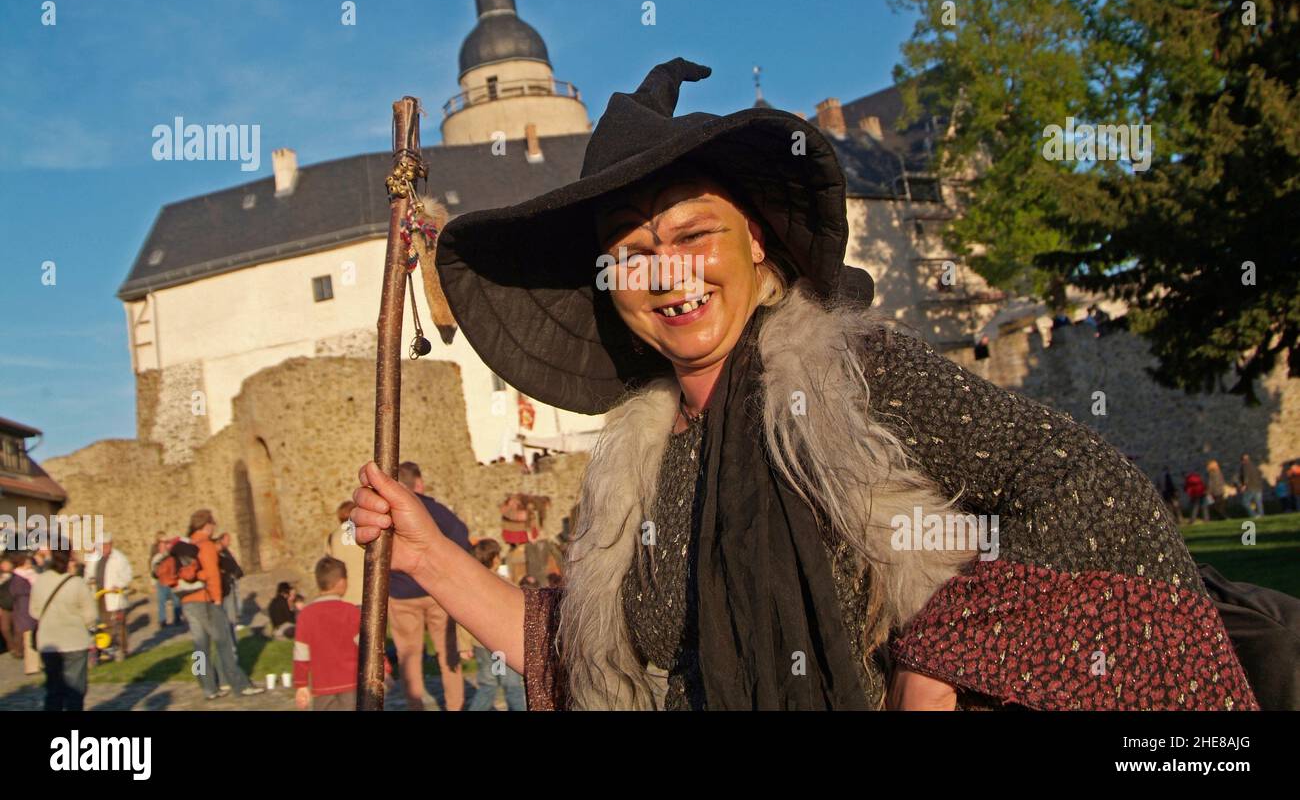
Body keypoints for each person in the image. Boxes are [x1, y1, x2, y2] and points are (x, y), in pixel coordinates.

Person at [352, 57, 1257, 710]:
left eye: (691, 235)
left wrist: (947, 648)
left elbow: (1083, 482)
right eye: (629, 253)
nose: (665, 274)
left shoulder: (850, 379)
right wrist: (429, 552)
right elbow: (589, 669)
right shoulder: (637, 469)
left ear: (755, 241)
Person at [387, 460, 471, 711]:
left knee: (408, 655)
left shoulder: (389, 513)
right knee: (447, 652)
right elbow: (461, 536)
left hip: (401, 592)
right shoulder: (435, 510)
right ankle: (455, 706)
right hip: (436, 590)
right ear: (419, 483)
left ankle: (415, 705)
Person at [176, 509, 263, 700]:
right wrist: (217, 599)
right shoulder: (206, 545)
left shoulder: (186, 544)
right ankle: (239, 684)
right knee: (224, 643)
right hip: (205, 600)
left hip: (187, 600)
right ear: (207, 525)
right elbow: (213, 575)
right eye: (213, 523)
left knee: (199, 647)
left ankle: (207, 687)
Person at [292, 557, 386, 710]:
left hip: (322, 687)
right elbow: (367, 645)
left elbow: (301, 653)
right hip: (352, 683)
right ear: (342, 582)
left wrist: (301, 684)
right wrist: (383, 668)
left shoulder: (306, 615)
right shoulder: (351, 612)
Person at [30, 548, 97, 711]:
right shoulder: (77, 583)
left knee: (54, 690)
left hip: (49, 642)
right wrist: (86, 625)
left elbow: (34, 611)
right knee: (75, 691)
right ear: (69, 560)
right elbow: (91, 615)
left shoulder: (41, 581)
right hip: (74, 641)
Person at [466, 539, 525, 711]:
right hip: (501, 646)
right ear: (496, 559)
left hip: (483, 645)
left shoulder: (470, 585)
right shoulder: (503, 583)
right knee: (511, 686)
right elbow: (518, 606)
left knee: (489, 685)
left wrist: (463, 645)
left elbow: (462, 616)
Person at [88, 536, 132, 662]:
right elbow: (88, 573)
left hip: (114, 596)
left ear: (111, 544)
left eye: (106, 545)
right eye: (102, 545)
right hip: (99, 595)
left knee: (118, 624)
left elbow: (127, 575)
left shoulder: (119, 558)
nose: (104, 548)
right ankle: (106, 649)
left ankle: (122, 649)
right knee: (102, 624)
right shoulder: (95, 558)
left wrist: (118, 585)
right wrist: (90, 580)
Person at [325, 502, 365, 606]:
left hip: (345, 594)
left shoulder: (332, 537)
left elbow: (330, 564)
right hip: (367, 589)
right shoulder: (364, 533)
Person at [8, 550, 41, 675]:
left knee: (35, 638)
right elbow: (19, 593)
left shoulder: (29, 575)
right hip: (25, 613)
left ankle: (37, 663)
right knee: (29, 641)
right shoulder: (18, 578)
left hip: (31, 611)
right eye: (26, 561)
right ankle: (32, 667)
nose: (29, 563)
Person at [150, 534, 183, 627]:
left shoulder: (172, 555)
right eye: (163, 543)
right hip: (162, 582)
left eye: (166, 543)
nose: (165, 545)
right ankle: (162, 620)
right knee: (162, 601)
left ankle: (177, 618)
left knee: (176, 600)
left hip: (172, 580)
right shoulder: (157, 557)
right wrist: (153, 583)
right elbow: (153, 571)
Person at [215, 532, 244, 633]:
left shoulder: (226, 552)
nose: (229, 542)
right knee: (228, 604)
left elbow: (232, 564)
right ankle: (231, 624)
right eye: (227, 540)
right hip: (223, 582)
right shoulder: (218, 554)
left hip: (229, 580)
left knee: (233, 603)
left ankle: (233, 622)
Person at [1237, 453, 1266, 519]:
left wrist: (1244, 485)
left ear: (1242, 460)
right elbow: (1259, 475)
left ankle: (1254, 515)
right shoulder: (1254, 465)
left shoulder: (1245, 466)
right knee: (1259, 502)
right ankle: (1261, 516)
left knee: (1245, 502)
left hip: (1250, 487)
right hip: (1258, 486)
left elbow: (1246, 476)